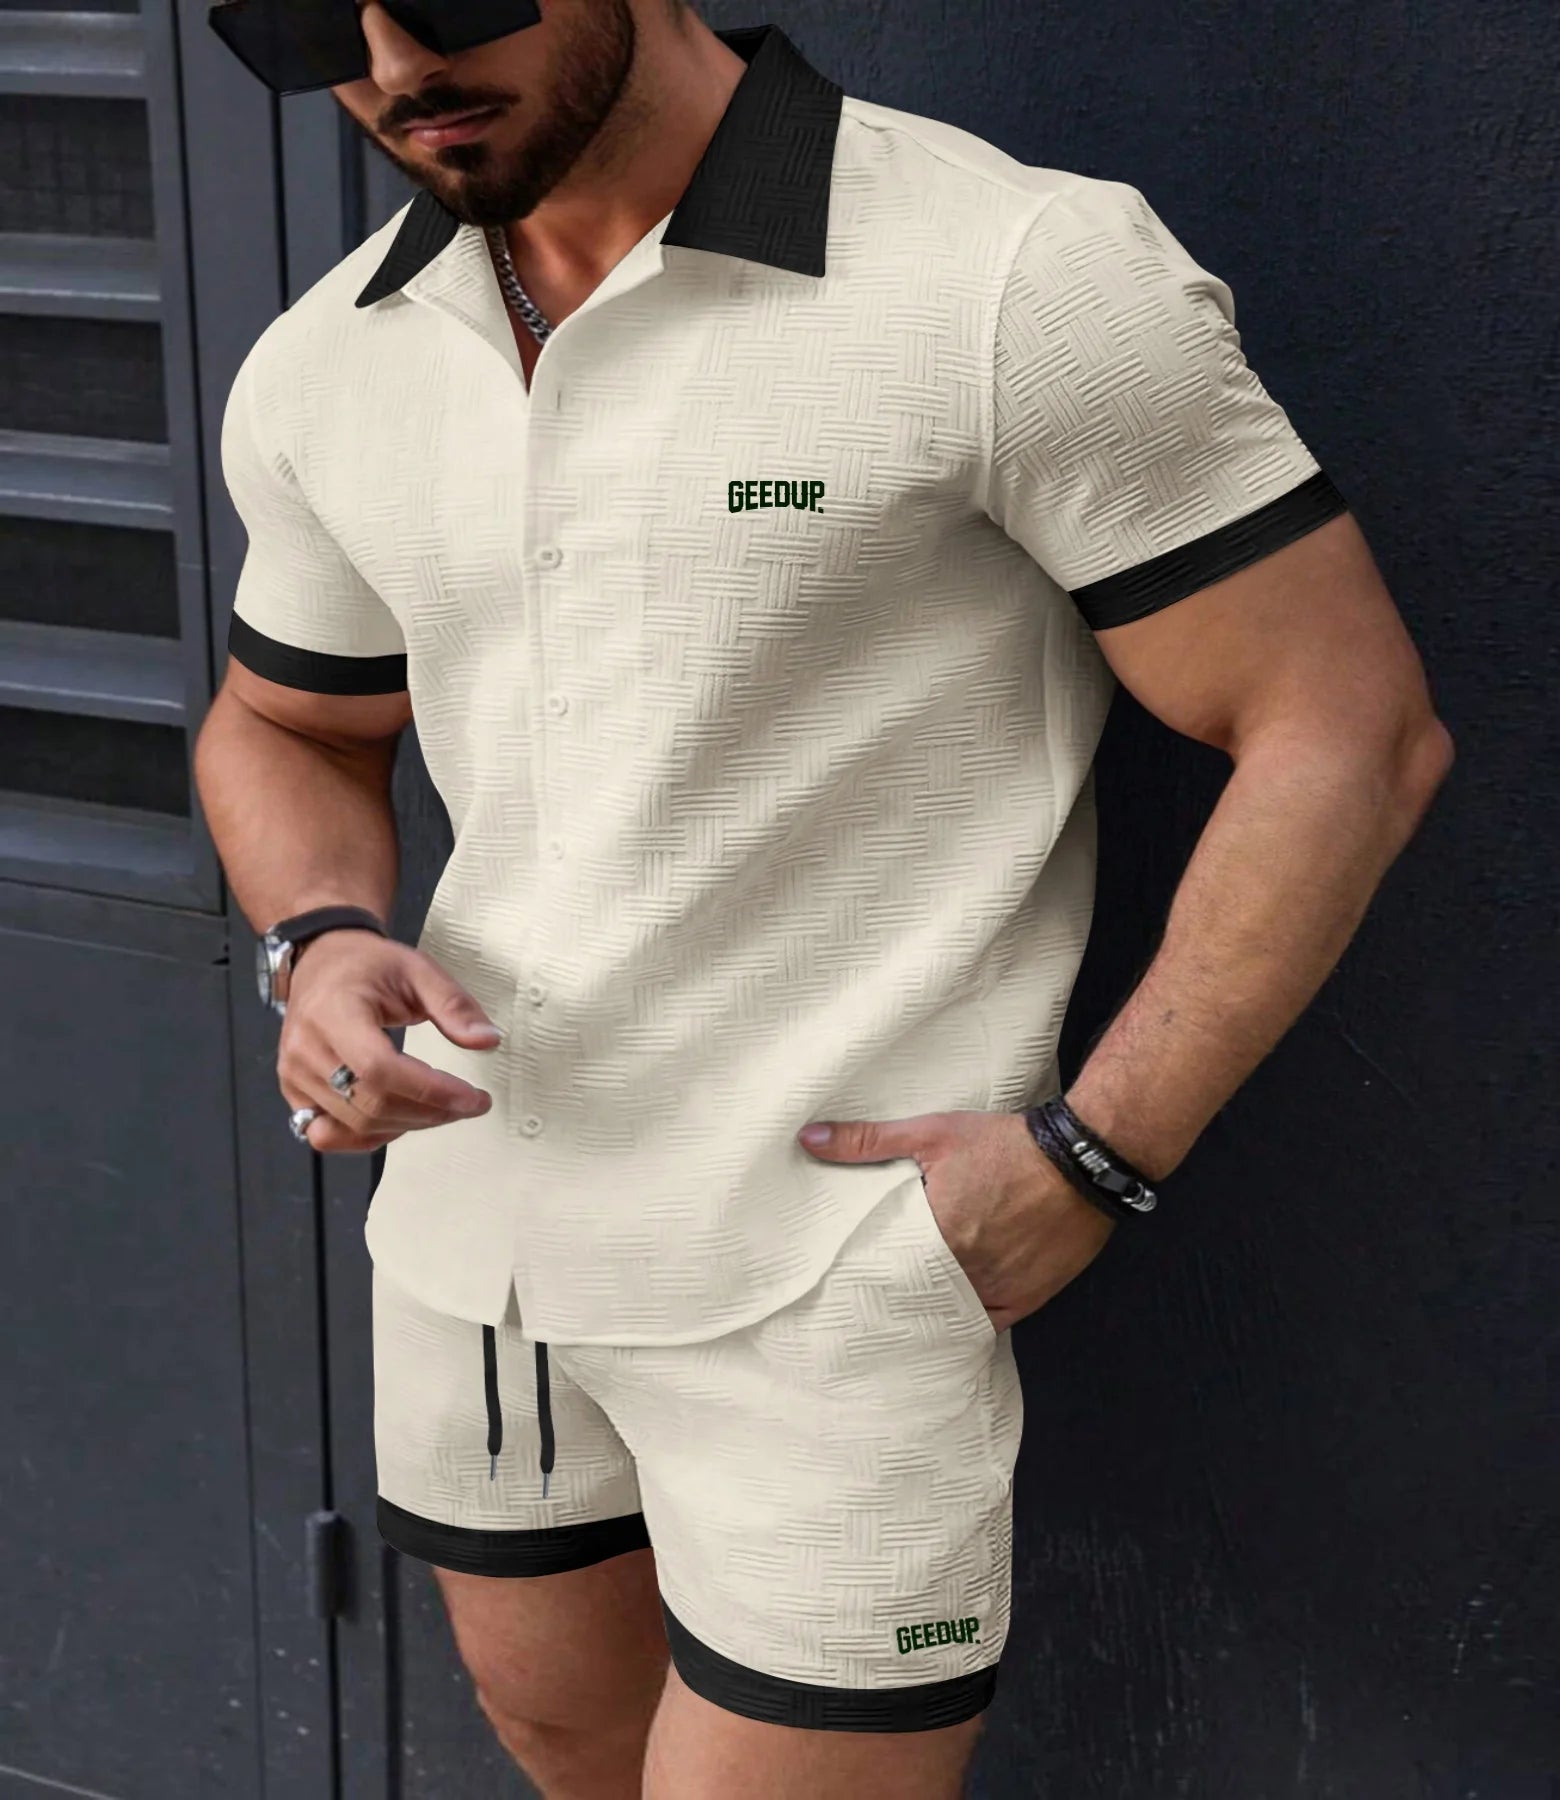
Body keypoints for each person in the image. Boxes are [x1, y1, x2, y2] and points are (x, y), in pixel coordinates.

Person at [195, 2, 1455, 1794]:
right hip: (476, 1234)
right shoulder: (331, 359)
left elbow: (1348, 727)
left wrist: (1102, 1151)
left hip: (830, 1270)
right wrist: (319, 939)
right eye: (310, 17)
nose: (395, 64)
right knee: (559, 1741)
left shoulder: (1008, 273)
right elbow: (287, 723)